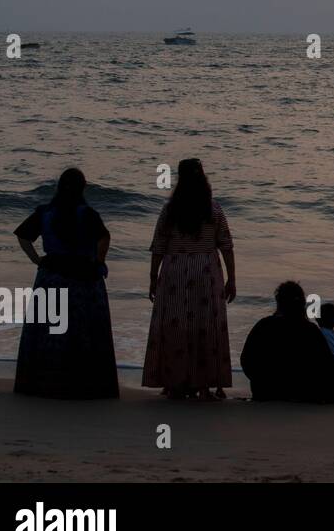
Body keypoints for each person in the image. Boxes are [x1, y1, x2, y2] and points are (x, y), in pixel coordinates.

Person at [12, 168, 119, 399]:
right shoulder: (88, 214)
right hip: (83, 278)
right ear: (83, 187)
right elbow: (104, 237)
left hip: (51, 276)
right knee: (84, 332)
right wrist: (99, 261)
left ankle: (43, 382)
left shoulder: (45, 212)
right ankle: (83, 383)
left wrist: (37, 260)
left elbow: (22, 236)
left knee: (49, 333)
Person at [142, 158, 235, 401]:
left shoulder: (170, 210)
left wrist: (153, 278)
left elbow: (159, 246)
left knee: (175, 325)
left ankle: (175, 382)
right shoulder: (213, 209)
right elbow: (226, 245)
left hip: (175, 270)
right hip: (206, 271)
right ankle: (205, 384)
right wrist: (232, 279)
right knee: (206, 326)